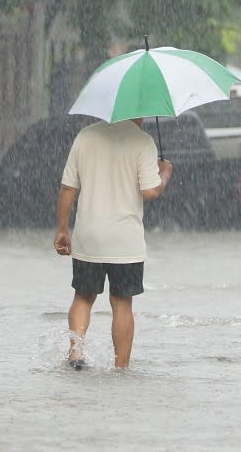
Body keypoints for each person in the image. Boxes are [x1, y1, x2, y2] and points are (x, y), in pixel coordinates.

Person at [54, 117, 173, 369]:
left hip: (89, 235)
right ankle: (121, 369)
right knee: (121, 303)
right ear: (139, 112)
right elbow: (150, 192)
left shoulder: (85, 135)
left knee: (83, 297)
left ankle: (76, 353)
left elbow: (67, 188)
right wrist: (164, 174)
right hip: (125, 241)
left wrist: (62, 229)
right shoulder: (143, 142)